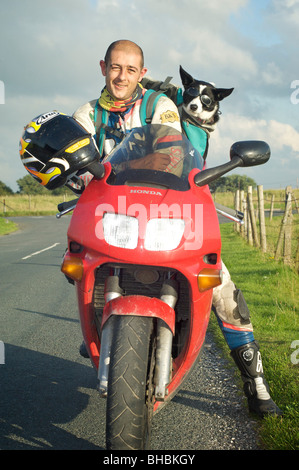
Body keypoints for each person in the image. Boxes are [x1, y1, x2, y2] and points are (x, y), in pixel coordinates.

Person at [73, 39, 282, 418]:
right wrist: (69, 174)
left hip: (164, 212)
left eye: (131, 70)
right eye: (115, 68)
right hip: (111, 217)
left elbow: (172, 151)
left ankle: (257, 383)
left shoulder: (160, 105)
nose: (122, 76)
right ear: (103, 67)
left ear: (142, 73)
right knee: (77, 267)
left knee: (220, 286)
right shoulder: (86, 114)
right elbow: (75, 160)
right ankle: (99, 330)